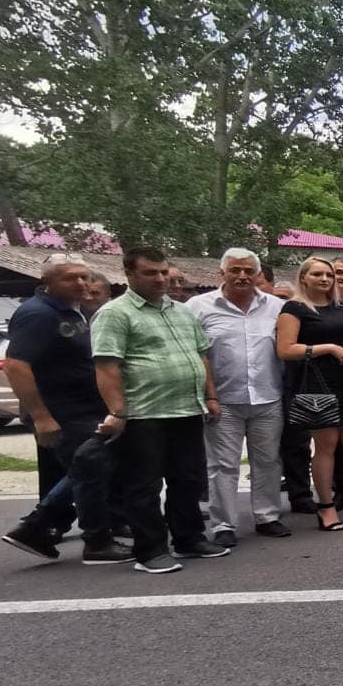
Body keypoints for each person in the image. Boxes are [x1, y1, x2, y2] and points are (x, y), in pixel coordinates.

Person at [92, 246, 226, 573]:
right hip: (144, 413)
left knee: (188, 479)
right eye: (150, 273)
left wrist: (211, 396)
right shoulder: (115, 313)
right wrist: (118, 412)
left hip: (186, 408)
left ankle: (189, 539)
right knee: (144, 485)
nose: (161, 279)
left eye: (164, 272)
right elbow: (107, 365)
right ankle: (150, 551)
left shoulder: (181, 311)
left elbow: (200, 355)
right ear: (129, 274)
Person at [0, 254, 131, 565]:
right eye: (71, 278)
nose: (82, 283)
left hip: (84, 409)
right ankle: (96, 543)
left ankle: (37, 527)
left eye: (84, 276)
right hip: (63, 412)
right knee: (91, 468)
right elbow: (15, 366)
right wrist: (42, 417)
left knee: (87, 468)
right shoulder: (38, 314)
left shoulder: (72, 310)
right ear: (47, 281)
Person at [188, 248, 290, 547]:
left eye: (249, 271)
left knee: (268, 461)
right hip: (222, 400)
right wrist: (208, 396)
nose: (242, 276)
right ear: (222, 273)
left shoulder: (277, 307)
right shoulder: (198, 307)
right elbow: (195, 354)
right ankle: (223, 525)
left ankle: (267, 516)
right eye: (235, 270)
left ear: (258, 274)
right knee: (222, 465)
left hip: (268, 397)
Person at [276, 256, 343, 530]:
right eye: (318, 274)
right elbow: (285, 349)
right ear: (303, 278)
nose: (325, 279)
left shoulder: (340, 307)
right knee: (326, 446)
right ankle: (326, 507)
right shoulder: (294, 308)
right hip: (316, 384)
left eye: (328, 275)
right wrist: (327, 348)